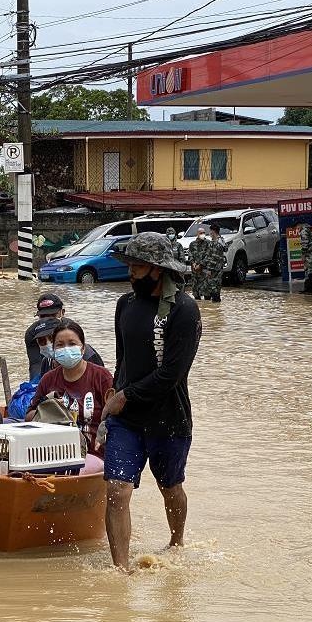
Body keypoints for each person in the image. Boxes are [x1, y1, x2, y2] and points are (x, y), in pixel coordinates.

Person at [103, 233, 202, 570]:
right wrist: (115, 390)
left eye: (138, 266)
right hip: (126, 420)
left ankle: (176, 542)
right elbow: (123, 360)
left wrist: (126, 395)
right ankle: (121, 570)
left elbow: (171, 375)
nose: (131, 272)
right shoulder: (125, 305)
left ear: (158, 270)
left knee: (169, 487)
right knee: (117, 491)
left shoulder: (184, 311)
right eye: (129, 265)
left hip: (169, 418)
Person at [26, 319, 113, 459]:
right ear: (54, 350)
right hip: (55, 453)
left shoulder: (101, 377)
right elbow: (29, 417)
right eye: (60, 345)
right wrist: (48, 408)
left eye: (72, 344)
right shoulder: (48, 379)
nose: (66, 349)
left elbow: (115, 416)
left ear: (83, 348)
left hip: (94, 453)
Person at [23, 294, 65, 380]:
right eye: (43, 316)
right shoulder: (32, 333)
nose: (48, 320)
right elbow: (35, 363)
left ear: (62, 313)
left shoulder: (71, 330)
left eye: (53, 315)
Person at [203, 224, 228, 303]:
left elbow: (214, 257)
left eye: (210, 231)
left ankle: (216, 307)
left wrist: (209, 269)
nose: (209, 233)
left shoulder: (217, 243)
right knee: (211, 289)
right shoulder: (216, 241)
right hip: (215, 269)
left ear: (213, 231)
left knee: (215, 290)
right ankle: (214, 309)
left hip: (214, 270)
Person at [188, 227, 209, 300]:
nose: (202, 234)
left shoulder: (208, 243)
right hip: (195, 270)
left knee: (206, 291)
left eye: (204, 233)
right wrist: (193, 263)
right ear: (197, 234)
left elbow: (208, 256)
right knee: (195, 292)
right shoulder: (192, 244)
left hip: (205, 270)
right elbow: (190, 254)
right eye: (201, 233)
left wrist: (200, 265)